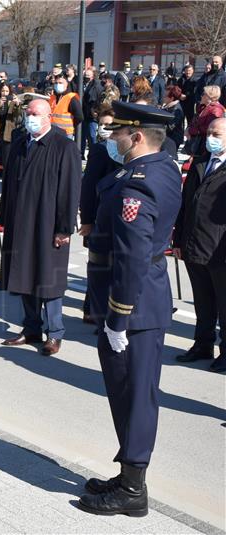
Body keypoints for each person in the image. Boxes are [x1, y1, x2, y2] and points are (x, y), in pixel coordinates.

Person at [80, 101, 181, 517]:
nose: (110, 140)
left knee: (135, 395)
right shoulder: (157, 168)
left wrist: (119, 316)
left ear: (136, 137)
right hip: (133, 299)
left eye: (116, 134)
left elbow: (133, 256)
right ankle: (127, 472)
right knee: (125, 393)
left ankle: (133, 489)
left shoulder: (139, 183)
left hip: (133, 305)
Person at [0, 98, 81, 356]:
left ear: (47, 117)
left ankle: (54, 333)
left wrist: (64, 228)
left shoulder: (63, 146)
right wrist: (5, 217)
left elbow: (69, 190)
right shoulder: (21, 142)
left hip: (47, 222)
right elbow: (9, 183)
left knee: (48, 279)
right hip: (21, 221)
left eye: (34, 113)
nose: (29, 116)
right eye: (27, 112)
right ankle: (31, 327)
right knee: (23, 275)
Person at [172, 118, 226, 373]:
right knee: (203, 301)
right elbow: (185, 203)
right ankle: (202, 344)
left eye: (217, 133)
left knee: (224, 304)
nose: (211, 137)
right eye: (209, 133)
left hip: (220, 249)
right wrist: (178, 239)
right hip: (195, 243)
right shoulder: (200, 162)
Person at [79, 107, 120, 322]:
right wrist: (86, 219)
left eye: (110, 125)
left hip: (115, 215)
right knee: (98, 264)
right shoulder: (99, 149)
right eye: (102, 124)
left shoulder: (121, 149)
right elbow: (88, 187)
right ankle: (92, 309)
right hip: (98, 215)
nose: (105, 129)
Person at [0, 82, 21, 170]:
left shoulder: (13, 101)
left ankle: (6, 179)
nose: (5, 93)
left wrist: (17, 105)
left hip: (8, 133)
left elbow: (17, 117)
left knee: (7, 159)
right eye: (3, 91)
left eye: (7, 91)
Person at [187, 85, 225, 156]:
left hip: (205, 145)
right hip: (199, 142)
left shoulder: (216, 110)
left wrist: (191, 130)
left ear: (210, 96)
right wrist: (188, 128)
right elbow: (195, 120)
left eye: (203, 94)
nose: (201, 96)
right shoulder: (204, 107)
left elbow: (210, 128)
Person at [49, 74, 83, 139]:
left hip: (66, 133)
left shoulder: (71, 98)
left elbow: (79, 117)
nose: (58, 85)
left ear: (67, 84)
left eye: (60, 83)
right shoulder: (52, 97)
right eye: (56, 83)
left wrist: (71, 125)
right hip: (52, 131)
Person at [81, 68, 104, 156]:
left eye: (88, 76)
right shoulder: (81, 83)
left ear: (92, 76)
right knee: (81, 136)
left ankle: (93, 154)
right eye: (85, 75)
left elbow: (96, 99)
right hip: (83, 114)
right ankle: (81, 153)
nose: (86, 77)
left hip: (91, 116)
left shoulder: (96, 85)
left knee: (91, 136)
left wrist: (95, 111)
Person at [161, 85, 185, 156]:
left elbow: (170, 127)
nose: (163, 97)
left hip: (173, 140)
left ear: (171, 98)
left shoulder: (176, 110)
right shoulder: (168, 107)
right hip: (167, 137)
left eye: (165, 96)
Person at [177, 64, 198, 130]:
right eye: (186, 71)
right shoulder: (181, 79)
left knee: (190, 121)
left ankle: (190, 134)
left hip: (190, 103)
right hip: (181, 103)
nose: (188, 72)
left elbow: (195, 91)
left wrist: (186, 95)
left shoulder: (195, 80)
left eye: (189, 70)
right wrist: (179, 95)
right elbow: (176, 89)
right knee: (180, 120)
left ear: (192, 71)